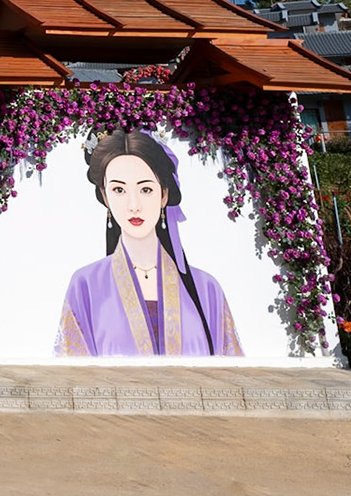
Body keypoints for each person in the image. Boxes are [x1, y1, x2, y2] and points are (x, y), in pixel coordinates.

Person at [54, 128, 242, 357]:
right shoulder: (86, 285)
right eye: (119, 190)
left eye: (145, 189)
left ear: (163, 194)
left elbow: (232, 371)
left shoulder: (207, 289)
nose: (134, 205)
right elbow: (72, 371)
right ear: (105, 196)